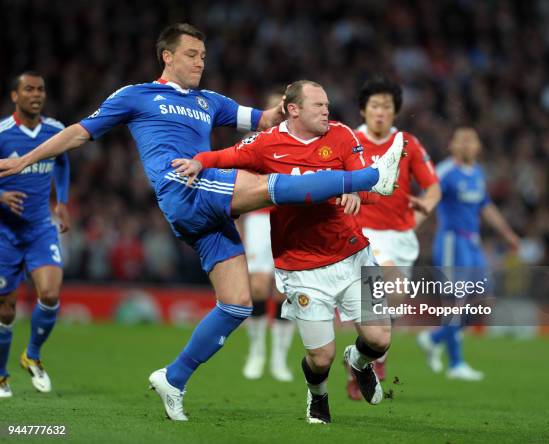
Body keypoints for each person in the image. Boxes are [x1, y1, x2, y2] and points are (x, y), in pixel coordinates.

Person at [0, 26, 403, 420]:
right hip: (185, 185)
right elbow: (78, 133)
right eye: (192, 55)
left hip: (208, 207)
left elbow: (265, 119)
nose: (200, 62)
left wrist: (296, 104)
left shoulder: (210, 101)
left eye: (204, 56)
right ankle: (373, 178)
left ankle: (173, 379)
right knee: (271, 187)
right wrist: (23, 160)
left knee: (237, 303)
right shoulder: (137, 96)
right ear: (168, 56)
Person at [173, 80, 402, 424]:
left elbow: (370, 184)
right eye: (318, 106)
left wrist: (357, 193)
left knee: (379, 339)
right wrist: (199, 162)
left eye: (327, 105)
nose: (327, 111)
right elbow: (228, 156)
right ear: (293, 109)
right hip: (302, 266)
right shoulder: (267, 144)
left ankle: (358, 361)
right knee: (321, 357)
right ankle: (318, 396)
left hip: (354, 254)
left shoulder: (342, 135)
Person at [344, 77, 441, 400]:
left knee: (390, 303)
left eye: (387, 106)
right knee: (394, 290)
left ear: (395, 112)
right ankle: (373, 360)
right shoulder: (350, 141)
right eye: (375, 106)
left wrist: (419, 216)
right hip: (363, 233)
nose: (380, 112)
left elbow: (434, 187)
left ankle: (361, 359)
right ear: (363, 109)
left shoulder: (408, 144)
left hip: (400, 236)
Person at [417, 127, 520, 381]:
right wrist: (408, 229)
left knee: (485, 302)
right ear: (451, 145)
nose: (466, 144)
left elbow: (485, 205)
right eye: (460, 140)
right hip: (452, 242)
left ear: (478, 146)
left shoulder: (477, 173)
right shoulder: (445, 172)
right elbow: (426, 200)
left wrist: (507, 233)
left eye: (470, 140)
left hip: (473, 244)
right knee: (455, 303)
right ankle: (456, 364)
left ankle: (434, 338)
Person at [0, 71, 71, 398]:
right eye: (28, 89)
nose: (36, 94)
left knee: (51, 293)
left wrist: (63, 202)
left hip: (41, 228)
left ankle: (33, 355)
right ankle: (1, 376)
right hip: (5, 232)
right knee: (6, 309)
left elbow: (62, 163)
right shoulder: (2, 133)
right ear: (15, 96)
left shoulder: (55, 130)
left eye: (40, 89)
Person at [241, 92, 295, 383]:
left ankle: (279, 359)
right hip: (259, 219)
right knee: (259, 288)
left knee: (285, 292)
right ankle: (257, 352)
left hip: (291, 220)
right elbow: (237, 186)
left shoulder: (302, 143)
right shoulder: (253, 142)